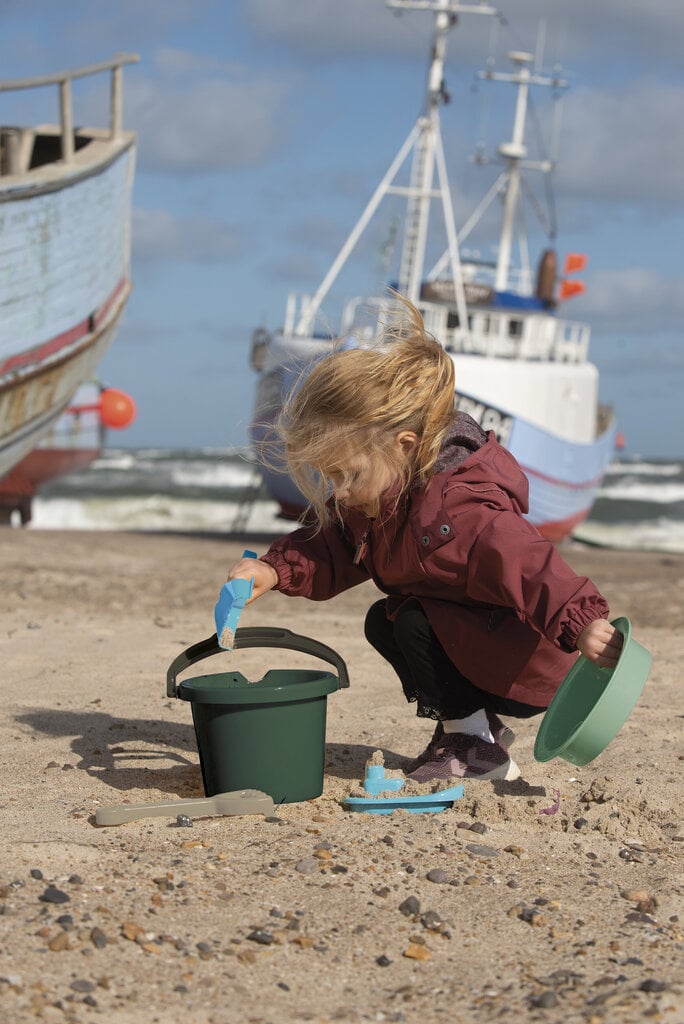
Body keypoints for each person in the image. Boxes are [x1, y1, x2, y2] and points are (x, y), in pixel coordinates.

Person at [228, 297, 622, 782]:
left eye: (347, 474)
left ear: (405, 447)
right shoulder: (378, 501)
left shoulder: (461, 508)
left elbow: (529, 564)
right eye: (329, 477)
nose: (340, 491)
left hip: (526, 661)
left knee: (410, 619)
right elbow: (331, 546)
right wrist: (274, 568)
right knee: (385, 620)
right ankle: (476, 731)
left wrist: (581, 621)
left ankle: (474, 746)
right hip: (477, 648)